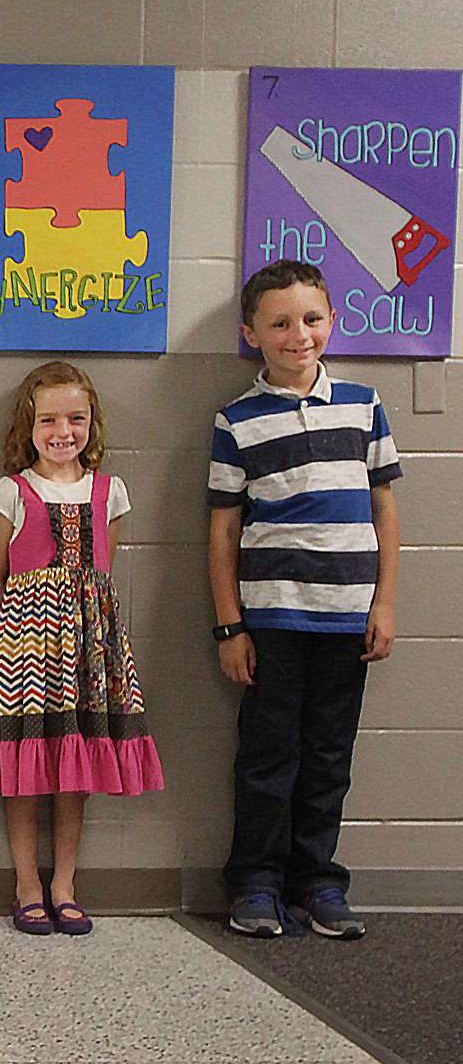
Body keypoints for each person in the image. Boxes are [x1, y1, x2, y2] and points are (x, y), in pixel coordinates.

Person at [210, 260, 400, 941]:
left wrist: (384, 604)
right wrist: (229, 626)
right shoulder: (237, 421)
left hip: (347, 614)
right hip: (274, 616)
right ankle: (255, 882)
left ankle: (316, 880)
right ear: (251, 334)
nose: (299, 334)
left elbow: (385, 508)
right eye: (281, 323)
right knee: (268, 752)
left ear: (331, 322)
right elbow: (224, 528)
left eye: (311, 318)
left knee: (328, 753)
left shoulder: (363, 405)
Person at [0, 360, 163, 936]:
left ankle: (64, 883)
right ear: (30, 424)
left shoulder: (109, 491)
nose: (62, 431)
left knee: (74, 771)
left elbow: (101, 573)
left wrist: (88, 633)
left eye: (75, 418)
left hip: (88, 647)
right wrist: (13, 635)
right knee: (25, 770)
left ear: (93, 423)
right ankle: (27, 883)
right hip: (24, 643)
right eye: (48, 419)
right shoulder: (12, 490)